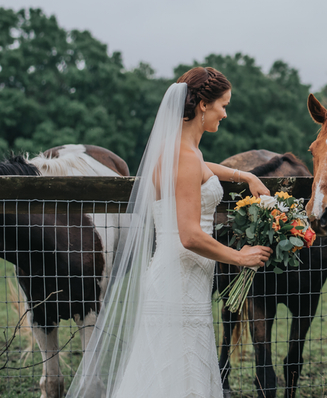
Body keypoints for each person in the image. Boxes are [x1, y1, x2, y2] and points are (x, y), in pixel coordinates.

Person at [67, 67, 273, 398]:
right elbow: (189, 235)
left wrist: (243, 175)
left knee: (170, 369)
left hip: (178, 278)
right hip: (180, 282)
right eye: (224, 104)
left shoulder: (180, 150)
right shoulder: (185, 156)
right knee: (177, 373)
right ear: (203, 105)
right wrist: (241, 256)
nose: (225, 112)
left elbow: (203, 170)